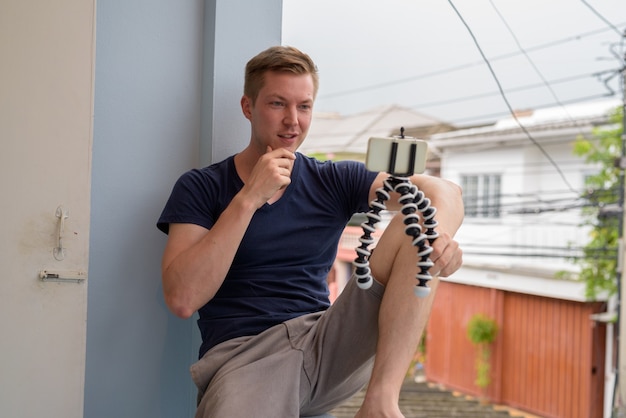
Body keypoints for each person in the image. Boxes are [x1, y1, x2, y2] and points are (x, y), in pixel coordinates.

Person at [157, 45, 464, 418]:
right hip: (244, 358)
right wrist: (249, 198)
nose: (293, 121)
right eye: (277, 104)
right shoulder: (201, 187)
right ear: (248, 107)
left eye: (303, 106)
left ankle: (380, 402)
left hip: (325, 342)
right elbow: (182, 299)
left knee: (417, 219)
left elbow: (444, 191)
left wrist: (440, 239)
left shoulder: (332, 179)